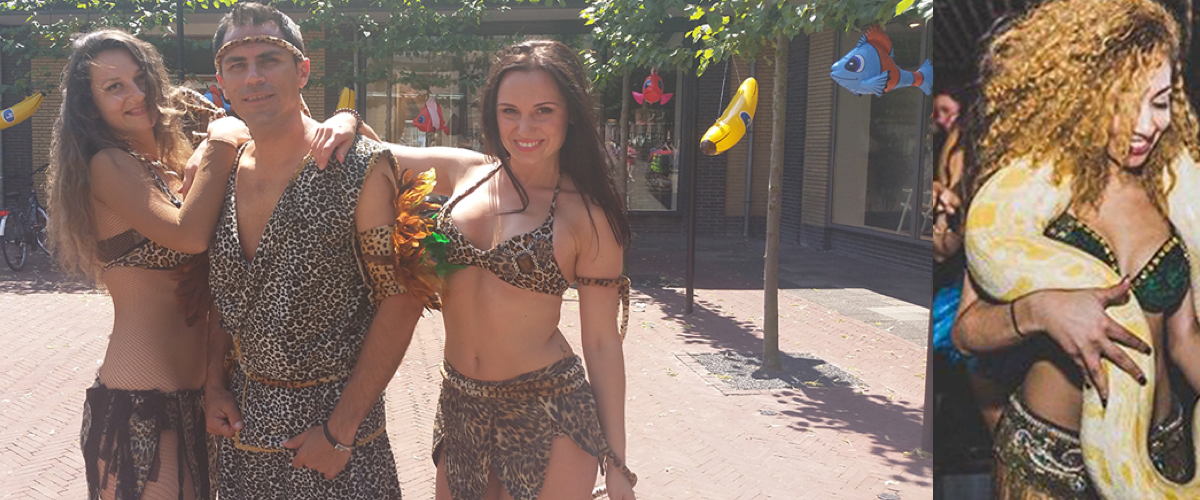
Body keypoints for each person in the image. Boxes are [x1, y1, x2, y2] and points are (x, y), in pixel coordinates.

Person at [198, 3, 489, 499]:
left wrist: (340, 431)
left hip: (338, 449)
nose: (254, 77)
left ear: (302, 71)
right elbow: (224, 297)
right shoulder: (221, 169)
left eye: (269, 60)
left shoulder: (357, 166)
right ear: (221, 82)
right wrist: (212, 384)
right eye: (237, 65)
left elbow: (402, 297)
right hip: (244, 440)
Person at [950, 0, 1200, 497]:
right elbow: (965, 334)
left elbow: (1184, 337)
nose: (1144, 125)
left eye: (1159, 102)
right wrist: (1039, 310)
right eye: (1122, 101)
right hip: (1048, 461)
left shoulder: (1175, 189)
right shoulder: (1017, 195)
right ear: (1085, 94)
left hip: (1165, 450)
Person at [422, 39, 638, 500]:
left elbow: (602, 343)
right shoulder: (466, 173)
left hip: (549, 412)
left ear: (570, 114)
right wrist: (345, 120)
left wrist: (617, 462)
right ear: (492, 113)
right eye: (510, 111)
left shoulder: (588, 216)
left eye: (543, 111)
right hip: (461, 405)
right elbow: (371, 155)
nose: (524, 128)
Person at [46, 29, 250, 500]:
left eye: (141, 79)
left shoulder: (170, 165)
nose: (136, 94)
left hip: (199, 398)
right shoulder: (108, 164)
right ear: (89, 105)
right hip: (139, 403)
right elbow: (188, 234)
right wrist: (222, 140)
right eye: (114, 87)